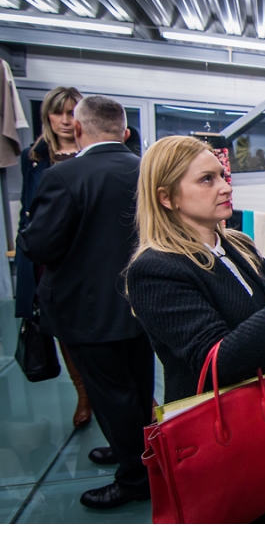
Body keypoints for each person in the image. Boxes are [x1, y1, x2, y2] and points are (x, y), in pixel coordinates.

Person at [124, 135, 265, 523]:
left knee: (264, 504)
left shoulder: (234, 246)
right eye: (207, 180)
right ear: (167, 198)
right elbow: (216, 359)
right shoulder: (156, 269)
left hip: (257, 417)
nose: (225, 187)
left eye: (223, 176)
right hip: (215, 430)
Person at [17, 95, 156, 510]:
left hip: (87, 309)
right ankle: (135, 451)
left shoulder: (64, 176)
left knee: (111, 394)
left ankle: (135, 479)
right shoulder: (147, 171)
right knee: (138, 388)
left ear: (78, 129)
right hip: (142, 301)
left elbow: (40, 245)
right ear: (125, 132)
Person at [15, 86, 94, 430]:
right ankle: (83, 394)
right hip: (49, 259)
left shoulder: (91, 152)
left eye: (71, 112)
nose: (64, 120)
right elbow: (28, 210)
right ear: (46, 116)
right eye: (57, 112)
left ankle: (118, 394)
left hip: (87, 255)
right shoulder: (34, 157)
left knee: (98, 326)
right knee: (62, 329)